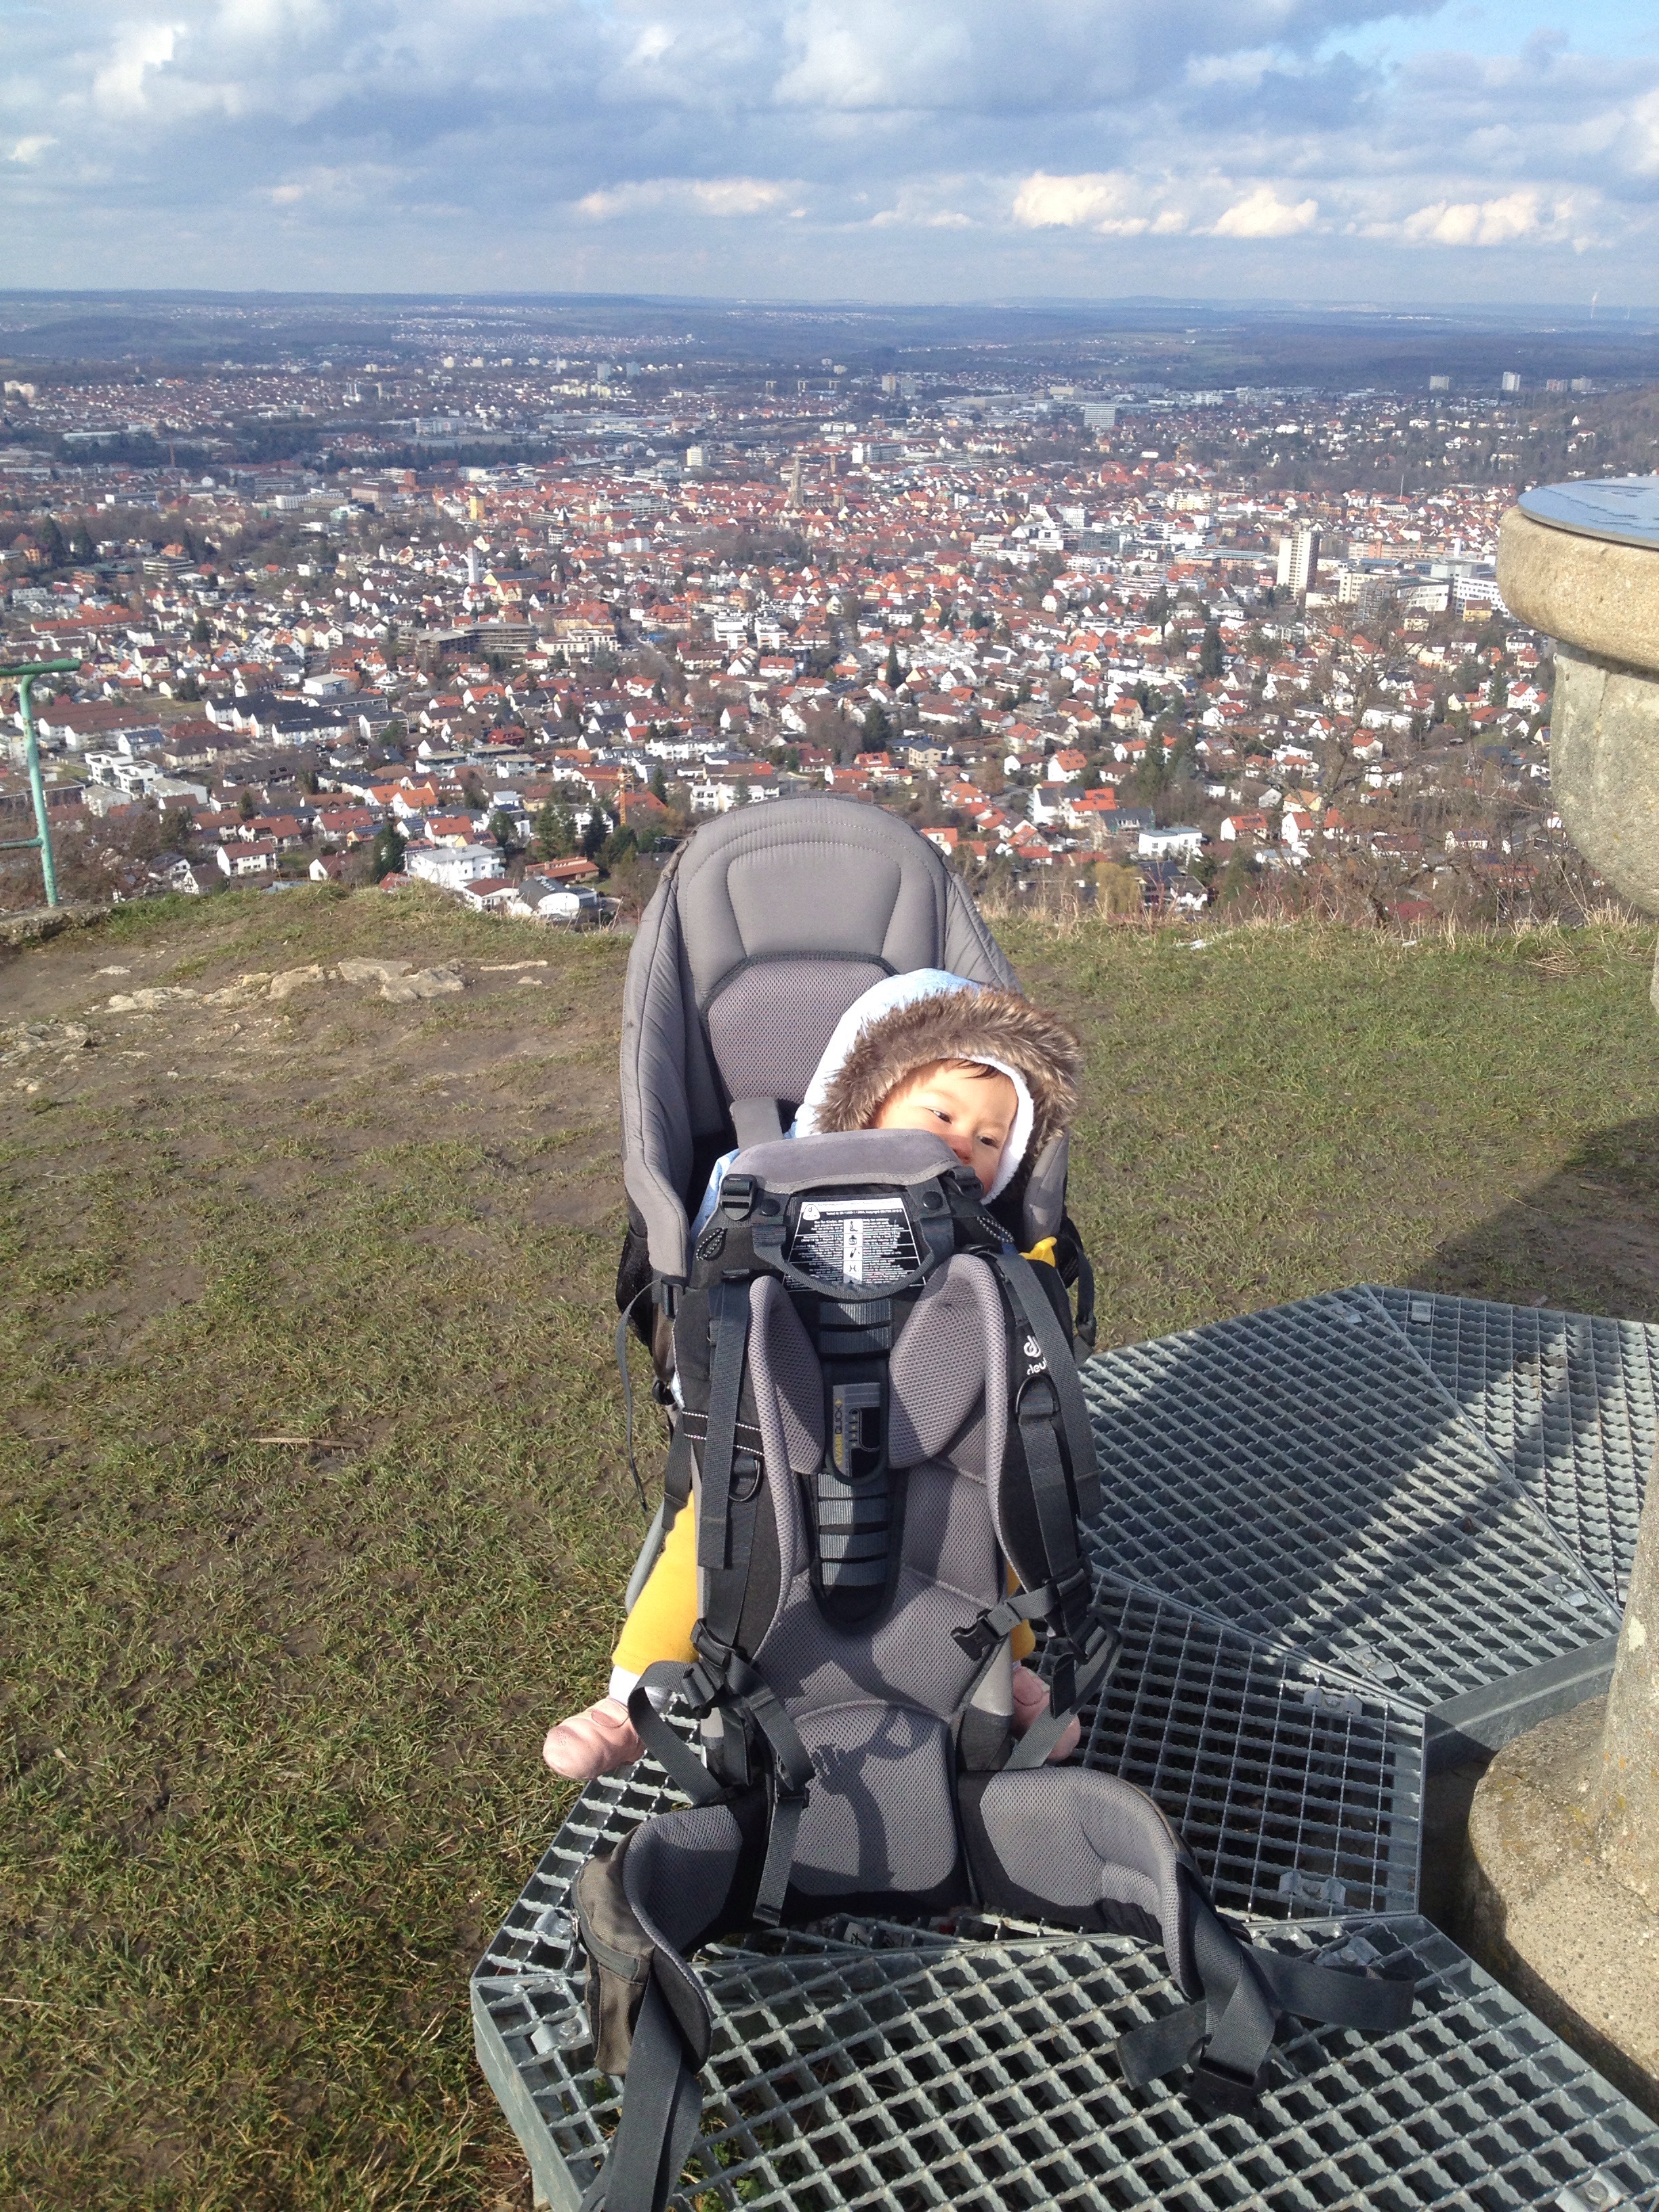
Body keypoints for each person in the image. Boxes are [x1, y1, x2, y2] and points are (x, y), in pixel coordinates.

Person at [543, 970, 1084, 1782]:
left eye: (989, 1140)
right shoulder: (758, 1180)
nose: (961, 1145)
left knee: (993, 1527)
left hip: (941, 1432)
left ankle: (1011, 1660)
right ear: (864, 1097)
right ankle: (628, 1700)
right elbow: (704, 1288)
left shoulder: (978, 1235)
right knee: (706, 1543)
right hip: (774, 1420)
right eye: (941, 1115)